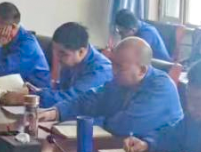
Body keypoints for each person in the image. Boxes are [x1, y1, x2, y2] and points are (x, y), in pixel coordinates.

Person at [39, 37, 182, 140]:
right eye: (113, 64)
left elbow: (125, 126)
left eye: (119, 67)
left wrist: (84, 122)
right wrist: (57, 112)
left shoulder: (161, 88)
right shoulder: (120, 82)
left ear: (142, 70)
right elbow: (92, 99)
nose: (113, 71)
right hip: (122, 148)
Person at [1, 22, 111, 108]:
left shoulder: (100, 71)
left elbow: (71, 99)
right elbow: (62, 91)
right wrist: (37, 91)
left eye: (63, 53)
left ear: (81, 52)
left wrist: (24, 98)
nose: (57, 58)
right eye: (55, 51)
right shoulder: (71, 62)